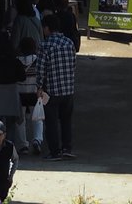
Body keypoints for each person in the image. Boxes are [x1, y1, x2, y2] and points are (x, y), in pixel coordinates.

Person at [37, 13, 77, 159]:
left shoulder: (45, 45)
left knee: (52, 122)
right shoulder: (69, 43)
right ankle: (67, 148)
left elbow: (41, 70)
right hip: (68, 89)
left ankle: (55, 151)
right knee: (66, 120)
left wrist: (39, 87)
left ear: (47, 28)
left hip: (52, 91)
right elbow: (73, 64)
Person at [0, 121, 18, 201]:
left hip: (4, 181)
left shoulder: (10, 146)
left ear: (4, 135)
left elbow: (15, 159)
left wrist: (11, 175)